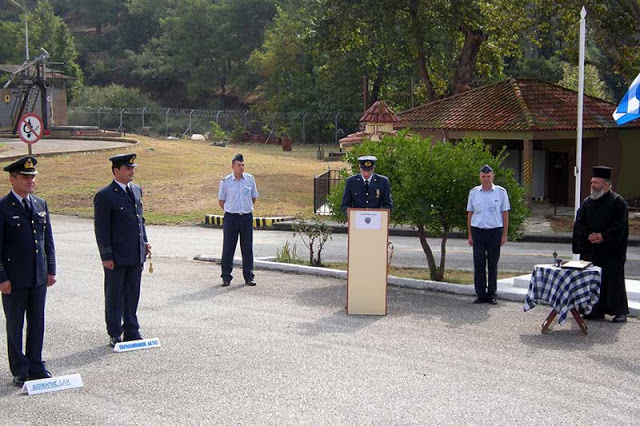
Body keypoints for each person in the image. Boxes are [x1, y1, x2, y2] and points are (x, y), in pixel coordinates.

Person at [0, 156, 56, 386]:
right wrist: (2, 276)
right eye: (25, 177)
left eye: (32, 177)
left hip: (38, 275)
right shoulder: (3, 208)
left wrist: (50, 269)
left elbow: (47, 241)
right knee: (15, 324)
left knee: (37, 321)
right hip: (14, 278)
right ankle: (19, 369)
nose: (30, 181)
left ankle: (36, 364)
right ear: (12, 179)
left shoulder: (40, 204)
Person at [94, 153, 151, 347]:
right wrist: (106, 255)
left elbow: (139, 220)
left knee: (133, 292)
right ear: (116, 170)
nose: (131, 171)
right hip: (117, 256)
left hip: (135, 252)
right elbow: (101, 229)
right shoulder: (105, 195)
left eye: (133, 168)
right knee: (114, 294)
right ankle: (114, 331)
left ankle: (132, 329)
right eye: (127, 168)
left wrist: (145, 242)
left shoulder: (136, 190)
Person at [572, 166, 629, 323]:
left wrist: (603, 236)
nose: (592, 185)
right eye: (592, 182)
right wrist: (588, 235)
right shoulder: (587, 203)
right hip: (591, 250)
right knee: (591, 280)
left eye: (596, 183)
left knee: (613, 281)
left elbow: (620, 226)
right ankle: (594, 310)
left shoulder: (618, 202)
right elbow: (579, 223)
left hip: (610, 250)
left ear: (606, 184)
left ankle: (619, 312)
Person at [467, 164, 510, 305]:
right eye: (483, 176)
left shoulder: (501, 192)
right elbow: (470, 214)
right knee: (478, 263)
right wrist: (470, 235)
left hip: (494, 232)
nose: (486, 179)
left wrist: (504, 234)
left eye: (488, 176)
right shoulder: (474, 192)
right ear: (480, 177)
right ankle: (480, 294)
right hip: (478, 231)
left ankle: (492, 294)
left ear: (493, 176)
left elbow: (505, 214)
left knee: (493, 264)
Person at [218, 153, 259, 287]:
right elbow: (221, 201)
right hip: (231, 217)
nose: (241, 167)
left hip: (246, 217)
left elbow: (253, 198)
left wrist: (244, 208)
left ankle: (249, 276)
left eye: (243, 165)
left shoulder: (250, 179)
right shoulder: (225, 181)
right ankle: (226, 276)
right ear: (233, 166)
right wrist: (233, 209)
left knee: (247, 247)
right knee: (228, 247)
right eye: (238, 165)